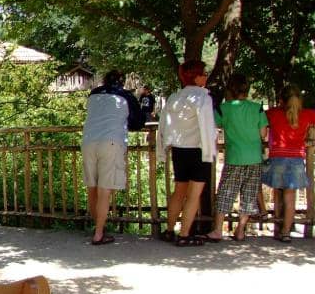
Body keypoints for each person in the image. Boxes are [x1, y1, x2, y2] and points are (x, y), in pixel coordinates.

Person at [156, 60, 217, 246]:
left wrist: (162, 148)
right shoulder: (203, 98)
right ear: (196, 76)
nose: (206, 76)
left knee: (179, 192)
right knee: (193, 195)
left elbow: (163, 125)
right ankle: (184, 235)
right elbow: (207, 127)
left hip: (179, 150)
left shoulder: (174, 97)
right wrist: (210, 152)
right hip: (199, 150)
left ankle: (169, 230)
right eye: (203, 73)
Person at [81, 70, 145, 245]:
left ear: (104, 81)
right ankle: (99, 234)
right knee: (104, 191)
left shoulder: (93, 95)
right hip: (111, 142)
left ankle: (98, 228)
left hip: (88, 141)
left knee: (92, 188)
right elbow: (137, 122)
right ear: (122, 82)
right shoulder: (125, 96)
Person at [207, 73, 268, 242]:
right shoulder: (257, 108)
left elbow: (214, 124)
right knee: (249, 194)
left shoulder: (224, 108)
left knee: (225, 193)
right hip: (254, 157)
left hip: (234, 157)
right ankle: (241, 230)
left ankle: (218, 230)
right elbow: (263, 134)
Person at [262, 83, 315, 243]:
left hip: (277, 157)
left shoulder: (273, 113)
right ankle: (285, 232)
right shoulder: (308, 114)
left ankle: (269, 219)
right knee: (290, 197)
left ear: (281, 100)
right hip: (297, 160)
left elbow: (259, 119)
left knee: (270, 187)